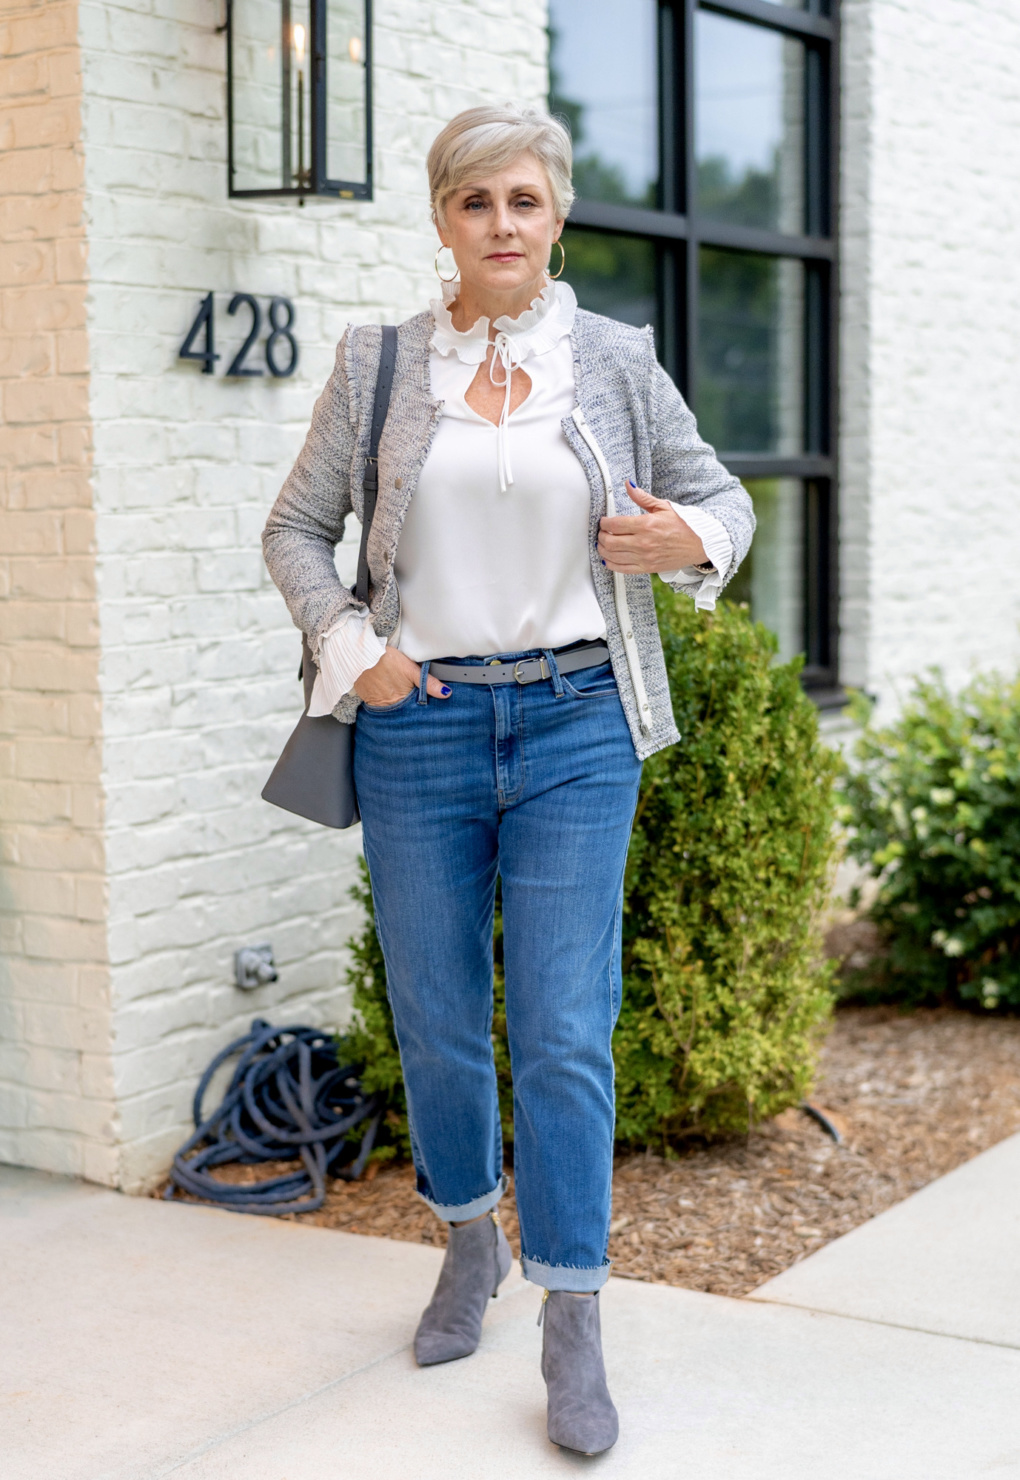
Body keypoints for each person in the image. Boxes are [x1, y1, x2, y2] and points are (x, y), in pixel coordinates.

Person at [262, 103, 753, 1456]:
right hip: (417, 727)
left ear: (557, 215)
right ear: (442, 218)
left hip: (577, 724)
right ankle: (470, 1242)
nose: (501, 225)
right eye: (475, 202)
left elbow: (724, 500)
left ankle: (572, 1312)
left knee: (561, 1025)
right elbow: (298, 527)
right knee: (433, 1014)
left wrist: (687, 537)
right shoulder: (376, 365)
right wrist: (351, 648)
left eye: (523, 200)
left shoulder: (615, 360)